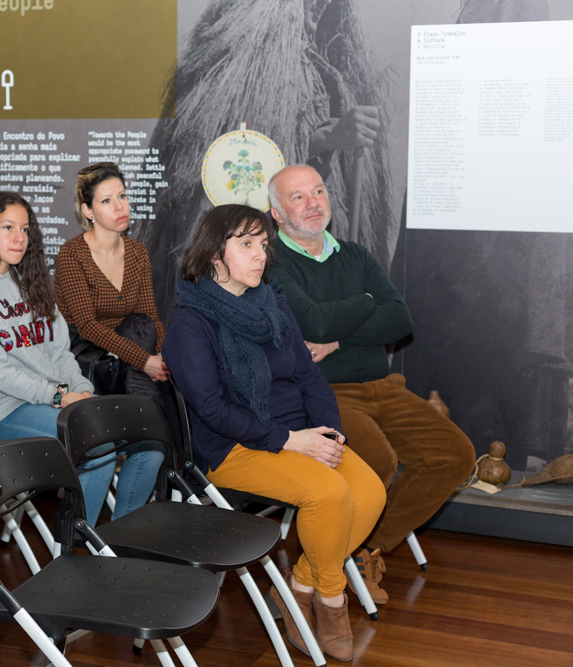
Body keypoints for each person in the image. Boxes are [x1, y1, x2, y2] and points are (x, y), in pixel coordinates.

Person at [162, 203, 385, 662]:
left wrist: (330, 433)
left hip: (299, 432)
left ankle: (298, 586)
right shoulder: (190, 323)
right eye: (246, 244)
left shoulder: (273, 305)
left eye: (263, 244)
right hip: (235, 447)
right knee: (330, 494)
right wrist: (288, 440)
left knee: (370, 492)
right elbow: (211, 409)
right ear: (212, 255)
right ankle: (331, 601)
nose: (260, 255)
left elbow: (310, 378)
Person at [267, 164, 475, 604]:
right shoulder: (273, 263)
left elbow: (399, 319)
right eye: (298, 197)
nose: (313, 202)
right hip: (325, 393)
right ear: (276, 213)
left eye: (318, 191)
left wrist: (337, 339)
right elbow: (313, 319)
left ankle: (366, 547)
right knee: (376, 462)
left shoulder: (355, 255)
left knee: (455, 455)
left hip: (384, 385)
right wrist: (367, 303)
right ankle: (326, 565)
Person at [141, 0, 394, 317]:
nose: (321, 5)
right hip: (253, 244)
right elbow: (236, 153)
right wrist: (327, 138)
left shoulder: (325, 64)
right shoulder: (243, 59)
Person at [0, 191, 116, 525]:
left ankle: (119, 540)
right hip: (4, 411)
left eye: (25, 229)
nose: (19, 238)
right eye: (8, 227)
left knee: (144, 443)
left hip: (55, 399)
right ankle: (76, 544)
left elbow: (59, 351)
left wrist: (82, 389)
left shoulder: (28, 279)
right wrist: (60, 396)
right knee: (98, 445)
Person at [54, 162, 166, 519]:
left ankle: (124, 530)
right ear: (87, 211)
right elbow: (87, 325)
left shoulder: (136, 251)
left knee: (153, 448)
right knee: (124, 437)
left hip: (131, 361)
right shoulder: (72, 254)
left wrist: (163, 358)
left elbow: (150, 315)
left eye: (122, 196)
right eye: (106, 200)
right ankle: (80, 533)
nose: (120, 207)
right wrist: (145, 361)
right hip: (89, 363)